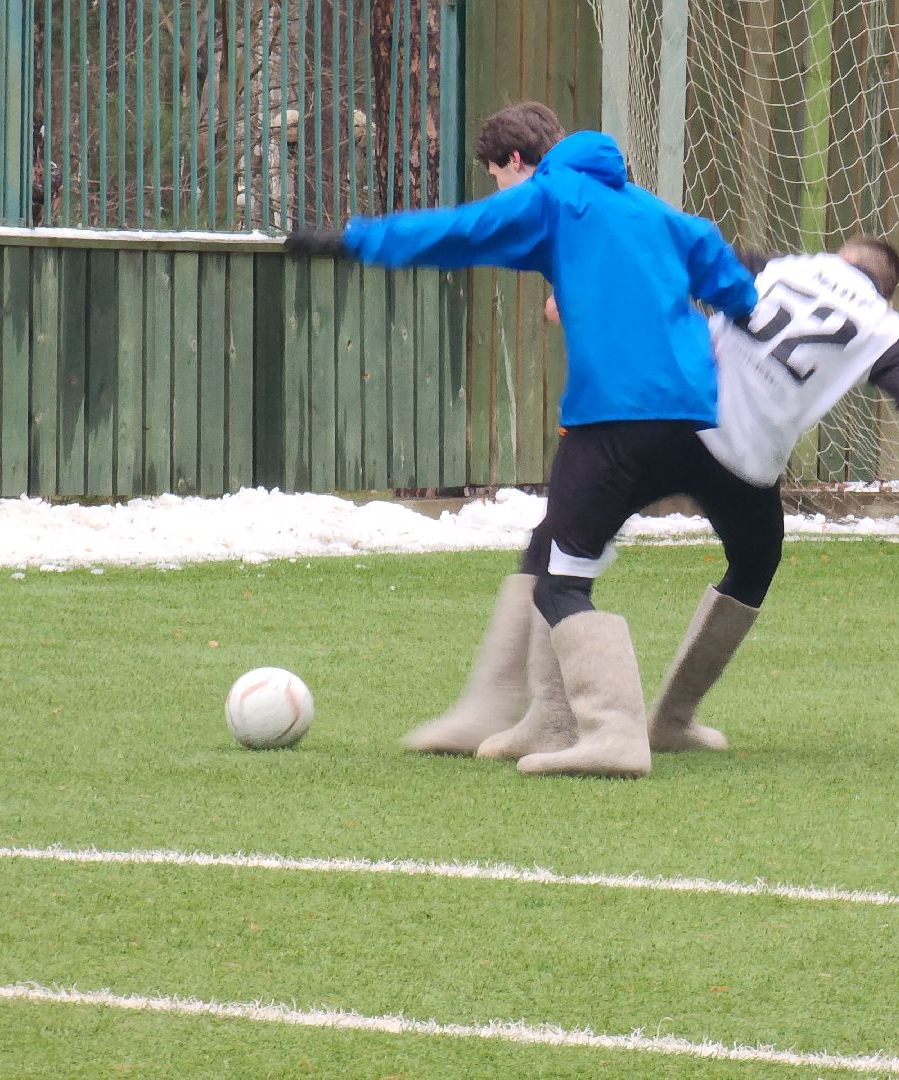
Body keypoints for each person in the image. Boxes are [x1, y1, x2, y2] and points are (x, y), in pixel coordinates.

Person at [430, 237, 899, 765]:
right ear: (887, 291)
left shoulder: (784, 267)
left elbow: (672, 261)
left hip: (670, 420)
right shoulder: (881, 326)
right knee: (756, 563)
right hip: (742, 463)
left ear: (840, 258)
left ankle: (544, 716)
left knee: (563, 540)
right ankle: (671, 720)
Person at [286, 101, 760, 780]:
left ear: (513, 162)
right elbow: (728, 276)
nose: (500, 192)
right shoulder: (650, 208)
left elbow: (460, 231)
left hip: (617, 416)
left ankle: (611, 732)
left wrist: (354, 240)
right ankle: (543, 716)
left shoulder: (551, 196)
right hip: (697, 420)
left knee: (561, 574)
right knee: (554, 543)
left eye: (496, 177)